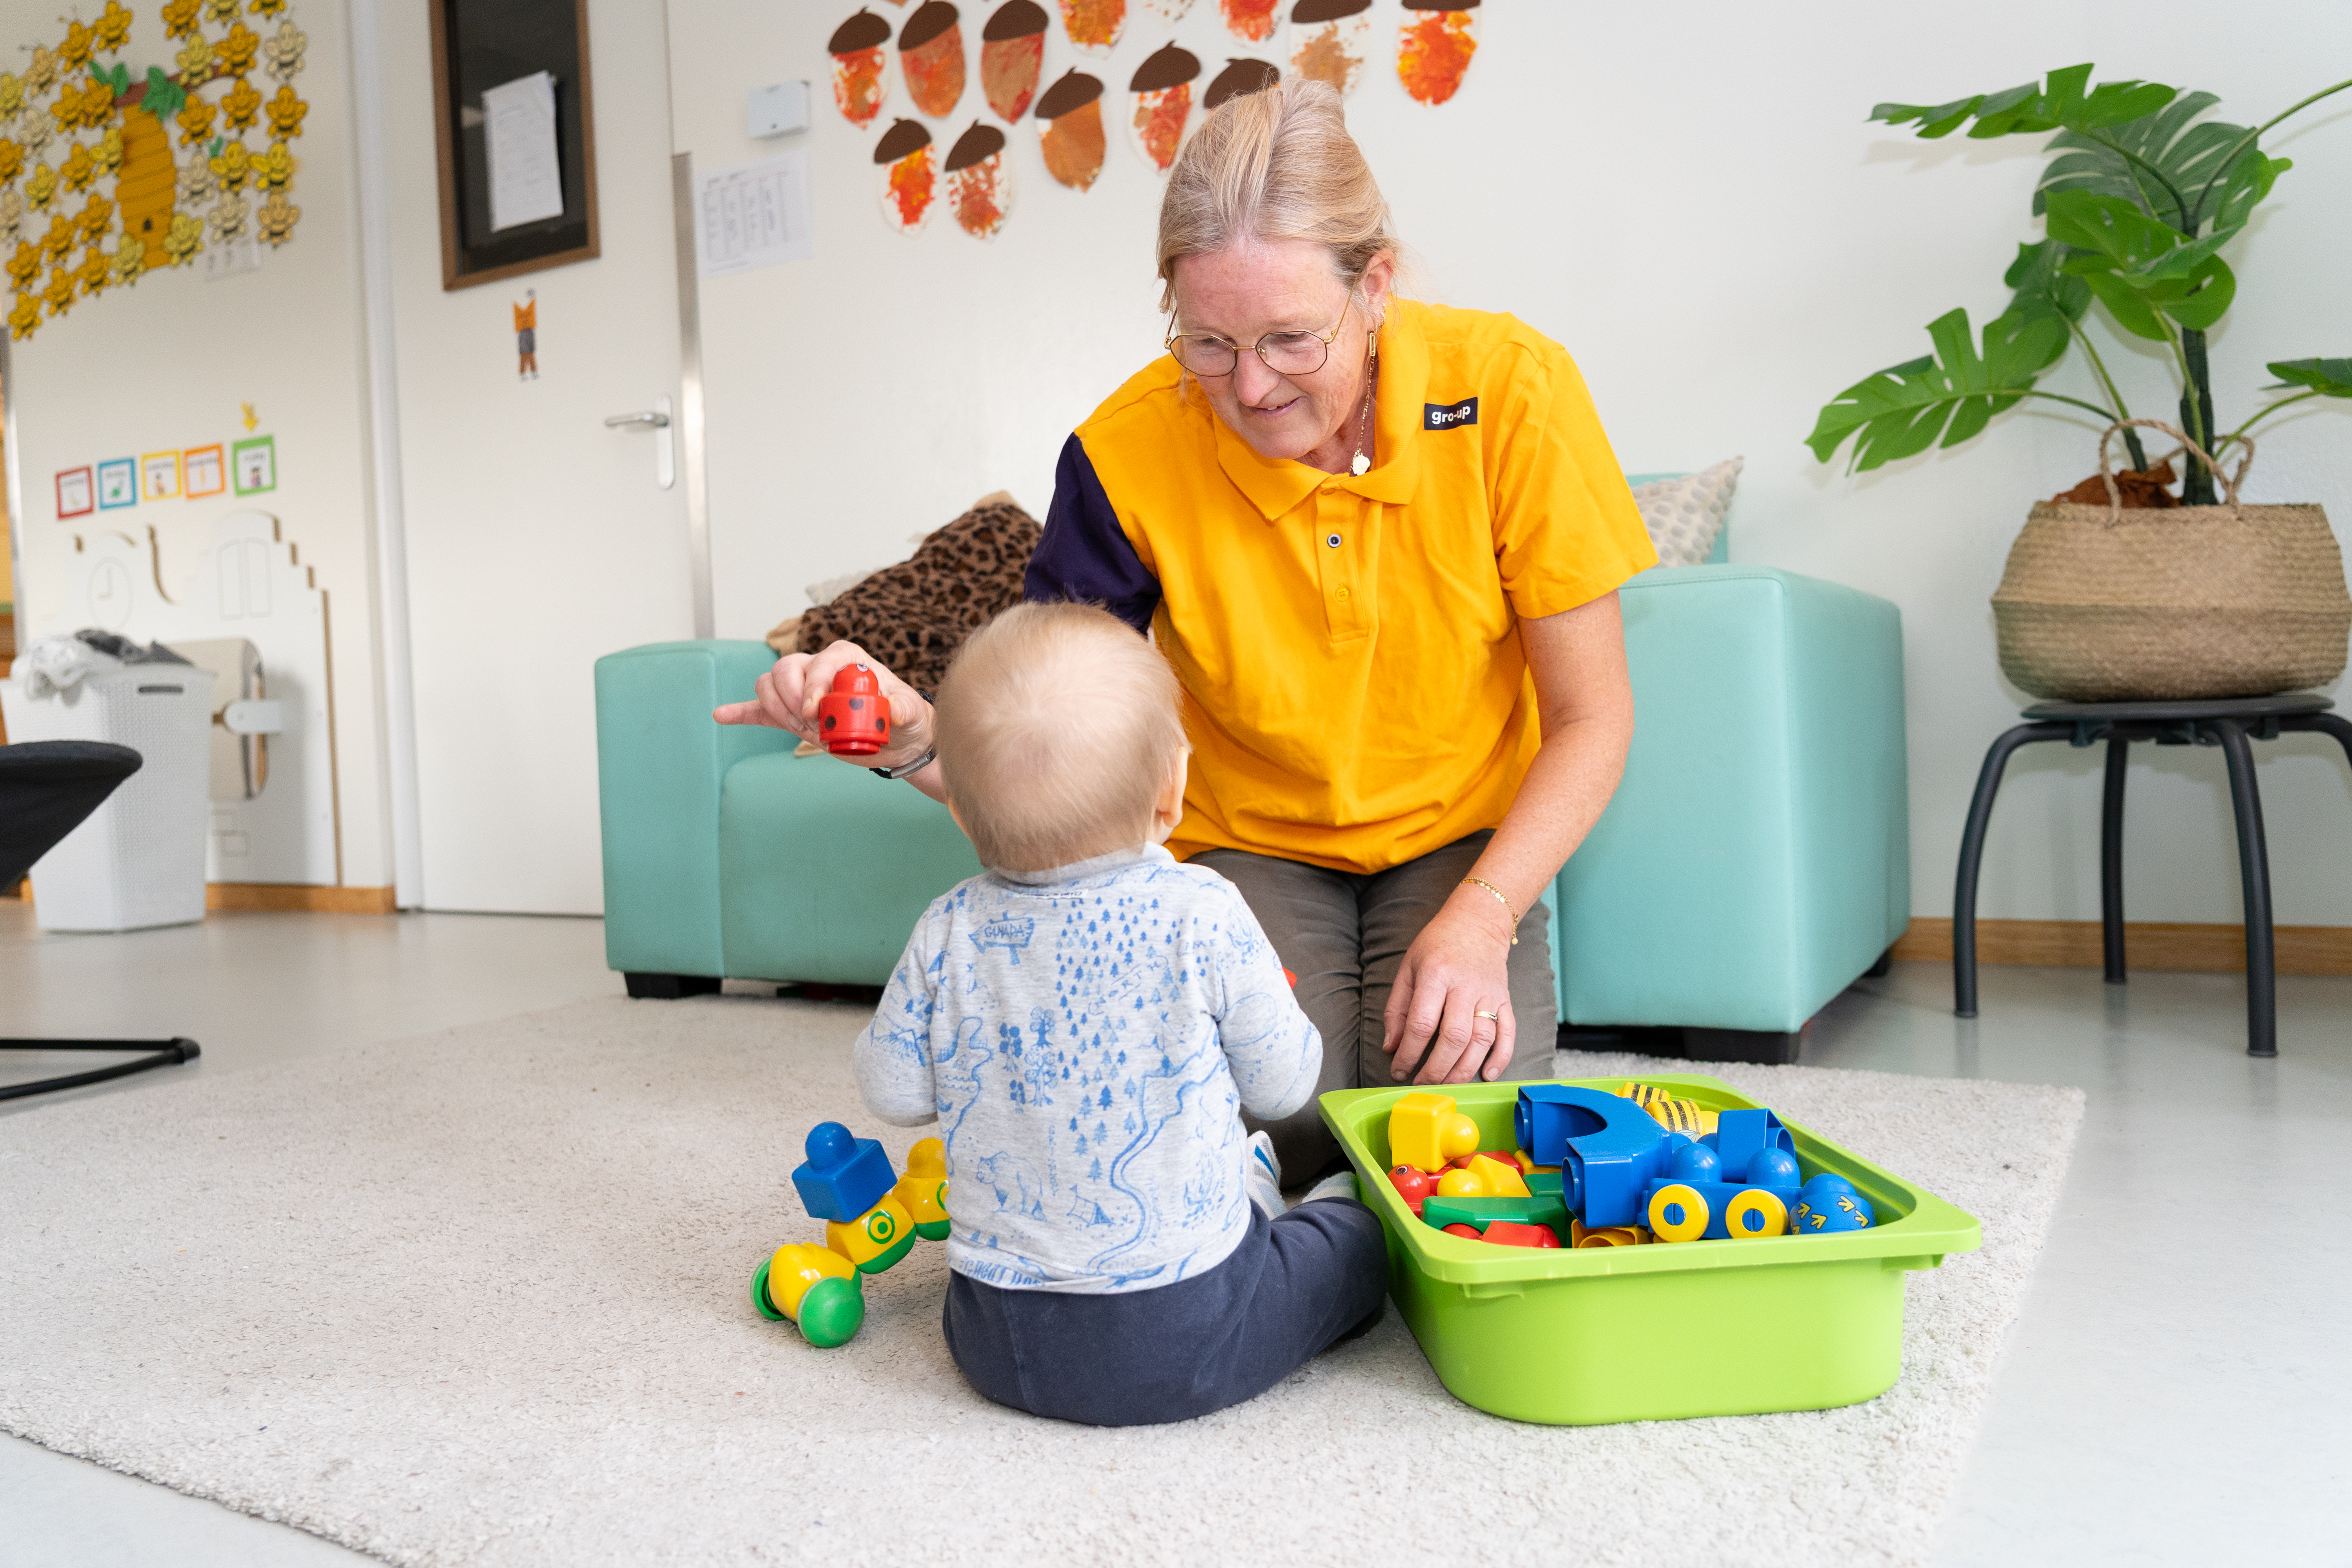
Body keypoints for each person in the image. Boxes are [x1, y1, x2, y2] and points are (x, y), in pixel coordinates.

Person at [718, 79, 1655, 1180]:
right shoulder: (1124, 456)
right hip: (1241, 845)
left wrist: (1485, 919)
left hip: (1463, 840)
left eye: (1291, 339)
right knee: (1292, 1127)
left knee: (1458, 1146)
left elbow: (1593, 717)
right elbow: (1051, 754)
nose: (1249, 387)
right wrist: (914, 735)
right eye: (1206, 343)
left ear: (1378, 286)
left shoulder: (1515, 391)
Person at [851, 602, 1387, 1426]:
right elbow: (1285, 1085)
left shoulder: (946, 926)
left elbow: (890, 1090)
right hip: (1195, 1330)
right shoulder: (1202, 909)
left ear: (959, 808)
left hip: (996, 1336)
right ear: (1173, 788)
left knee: (1231, 1181)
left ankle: (1244, 1186)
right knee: (1356, 1244)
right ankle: (1282, 1203)